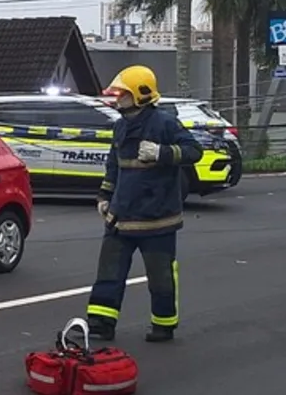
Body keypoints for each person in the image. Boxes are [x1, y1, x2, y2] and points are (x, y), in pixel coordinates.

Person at [86, 65, 203, 344]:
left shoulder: (164, 123)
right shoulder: (121, 126)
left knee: (161, 277)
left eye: (122, 95)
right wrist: (104, 198)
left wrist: (162, 153)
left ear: (140, 95)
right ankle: (101, 325)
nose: (117, 100)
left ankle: (163, 325)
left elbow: (194, 151)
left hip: (157, 220)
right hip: (120, 217)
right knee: (108, 274)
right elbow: (114, 166)